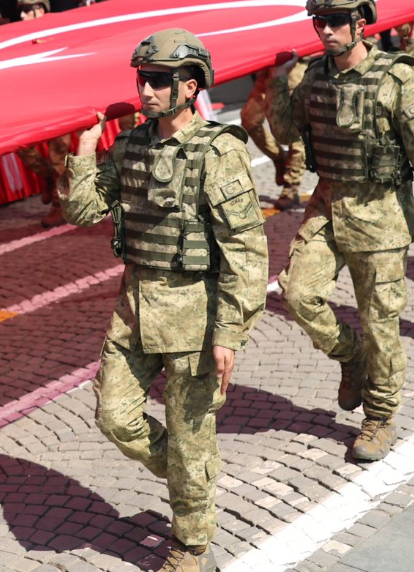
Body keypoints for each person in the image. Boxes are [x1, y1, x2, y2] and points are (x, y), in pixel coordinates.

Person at [63, 30, 268, 572]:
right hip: (134, 308)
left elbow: (245, 251)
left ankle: (190, 544)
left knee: (191, 434)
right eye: (142, 79)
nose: (146, 90)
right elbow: (84, 212)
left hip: (194, 316)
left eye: (158, 81)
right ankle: (186, 473)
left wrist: (229, 333)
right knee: (114, 415)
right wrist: (85, 152)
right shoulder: (130, 144)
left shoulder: (218, 152)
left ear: (190, 86)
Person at [269, 0, 414, 462]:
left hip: (380, 213)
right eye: (320, 22)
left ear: (360, 23)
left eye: (336, 21)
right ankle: (350, 359)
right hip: (328, 203)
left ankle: (379, 416)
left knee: (380, 322)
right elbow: (286, 129)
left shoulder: (396, 78)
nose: (326, 31)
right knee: (297, 294)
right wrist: (276, 81)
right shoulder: (313, 77)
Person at [239, 0, 308, 211]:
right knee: (249, 119)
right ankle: (280, 160)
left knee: (295, 132)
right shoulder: (266, 4)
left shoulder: (303, 4)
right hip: (267, 71)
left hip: (294, 70)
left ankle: (291, 187)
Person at [12, 0, 70, 226]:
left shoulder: (56, 33)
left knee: (58, 155)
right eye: (22, 10)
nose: (23, 15)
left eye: (28, 10)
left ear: (41, 9)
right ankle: (48, 179)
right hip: (32, 103)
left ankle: (60, 204)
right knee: (23, 148)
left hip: (59, 101)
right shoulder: (17, 38)